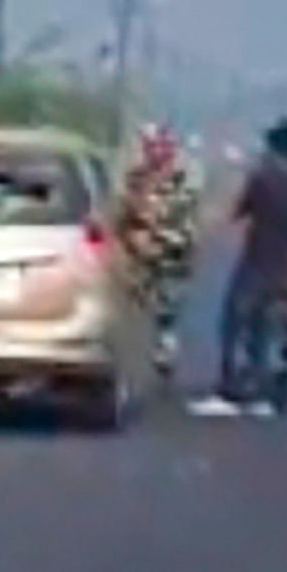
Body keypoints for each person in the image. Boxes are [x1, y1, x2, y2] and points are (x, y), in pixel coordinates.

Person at [199, 119, 287, 418]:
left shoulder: (262, 179)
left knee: (235, 323)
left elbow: (239, 212)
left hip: (257, 261)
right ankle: (270, 394)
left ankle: (231, 389)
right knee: (272, 328)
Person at [115, 121, 202, 386]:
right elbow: (121, 207)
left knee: (168, 304)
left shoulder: (186, 176)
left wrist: (147, 216)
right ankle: (134, 354)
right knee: (133, 302)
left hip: (172, 247)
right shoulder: (135, 175)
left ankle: (164, 347)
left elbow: (179, 209)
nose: (154, 151)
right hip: (138, 250)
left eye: (159, 145)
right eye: (149, 146)